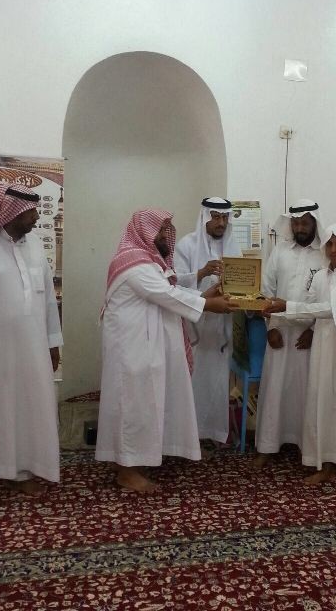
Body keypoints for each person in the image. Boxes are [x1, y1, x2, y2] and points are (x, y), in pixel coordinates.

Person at [95, 208, 236, 493]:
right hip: (133, 347)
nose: (165, 235)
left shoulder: (149, 261)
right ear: (143, 231)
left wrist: (203, 296)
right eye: (160, 230)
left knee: (141, 404)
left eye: (165, 230)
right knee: (133, 406)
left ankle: (125, 461)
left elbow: (168, 291)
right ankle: (127, 472)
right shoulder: (134, 262)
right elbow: (165, 294)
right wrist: (209, 304)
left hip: (144, 345)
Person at [266, 224, 336, 500]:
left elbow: (330, 310)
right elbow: (309, 310)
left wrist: (287, 306)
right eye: (330, 244)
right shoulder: (322, 276)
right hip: (322, 350)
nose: (333, 250)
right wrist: (276, 315)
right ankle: (325, 466)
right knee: (321, 404)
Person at [0, 184, 62, 494]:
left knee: (29, 407)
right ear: (11, 213)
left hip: (33, 348)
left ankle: (21, 470)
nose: (36, 217)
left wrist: (53, 343)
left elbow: (48, 301)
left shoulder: (36, 247)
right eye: (30, 212)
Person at [254, 199, 325, 467]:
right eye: (295, 223)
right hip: (280, 333)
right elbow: (266, 291)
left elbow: (329, 297)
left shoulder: (325, 254)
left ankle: (307, 449)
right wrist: (271, 327)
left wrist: (314, 330)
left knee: (308, 392)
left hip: (309, 336)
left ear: (315, 223)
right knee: (274, 390)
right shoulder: (280, 251)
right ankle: (267, 446)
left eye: (305, 223)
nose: (300, 228)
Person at [174, 197, 241, 445]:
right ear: (205, 217)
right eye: (215, 217)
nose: (221, 222)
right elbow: (174, 284)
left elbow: (242, 284)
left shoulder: (233, 247)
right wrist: (202, 272)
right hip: (194, 328)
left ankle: (215, 432)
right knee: (193, 381)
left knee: (218, 383)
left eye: (224, 217)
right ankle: (189, 436)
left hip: (221, 328)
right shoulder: (186, 245)